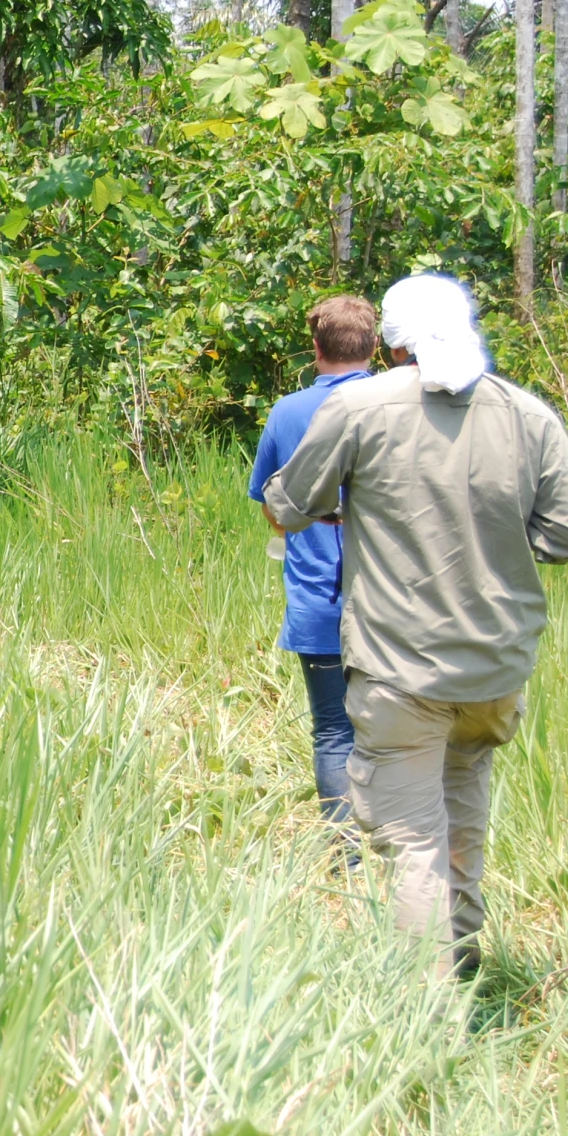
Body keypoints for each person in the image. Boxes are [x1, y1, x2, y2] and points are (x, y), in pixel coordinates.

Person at [264, 273, 568, 981]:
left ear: (389, 344)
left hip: (399, 669)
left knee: (414, 836)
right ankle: (463, 947)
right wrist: (500, 538)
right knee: (463, 795)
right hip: (494, 668)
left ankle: (427, 1006)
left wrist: (350, 513)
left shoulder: (359, 405)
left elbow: (285, 506)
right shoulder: (524, 413)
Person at [249, 295, 379, 829]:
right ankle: (400, 850)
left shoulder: (289, 411)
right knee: (400, 731)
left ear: (316, 347)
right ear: (374, 346)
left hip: (318, 600)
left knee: (333, 731)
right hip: (394, 603)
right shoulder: (401, 404)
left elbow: (272, 510)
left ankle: (345, 860)